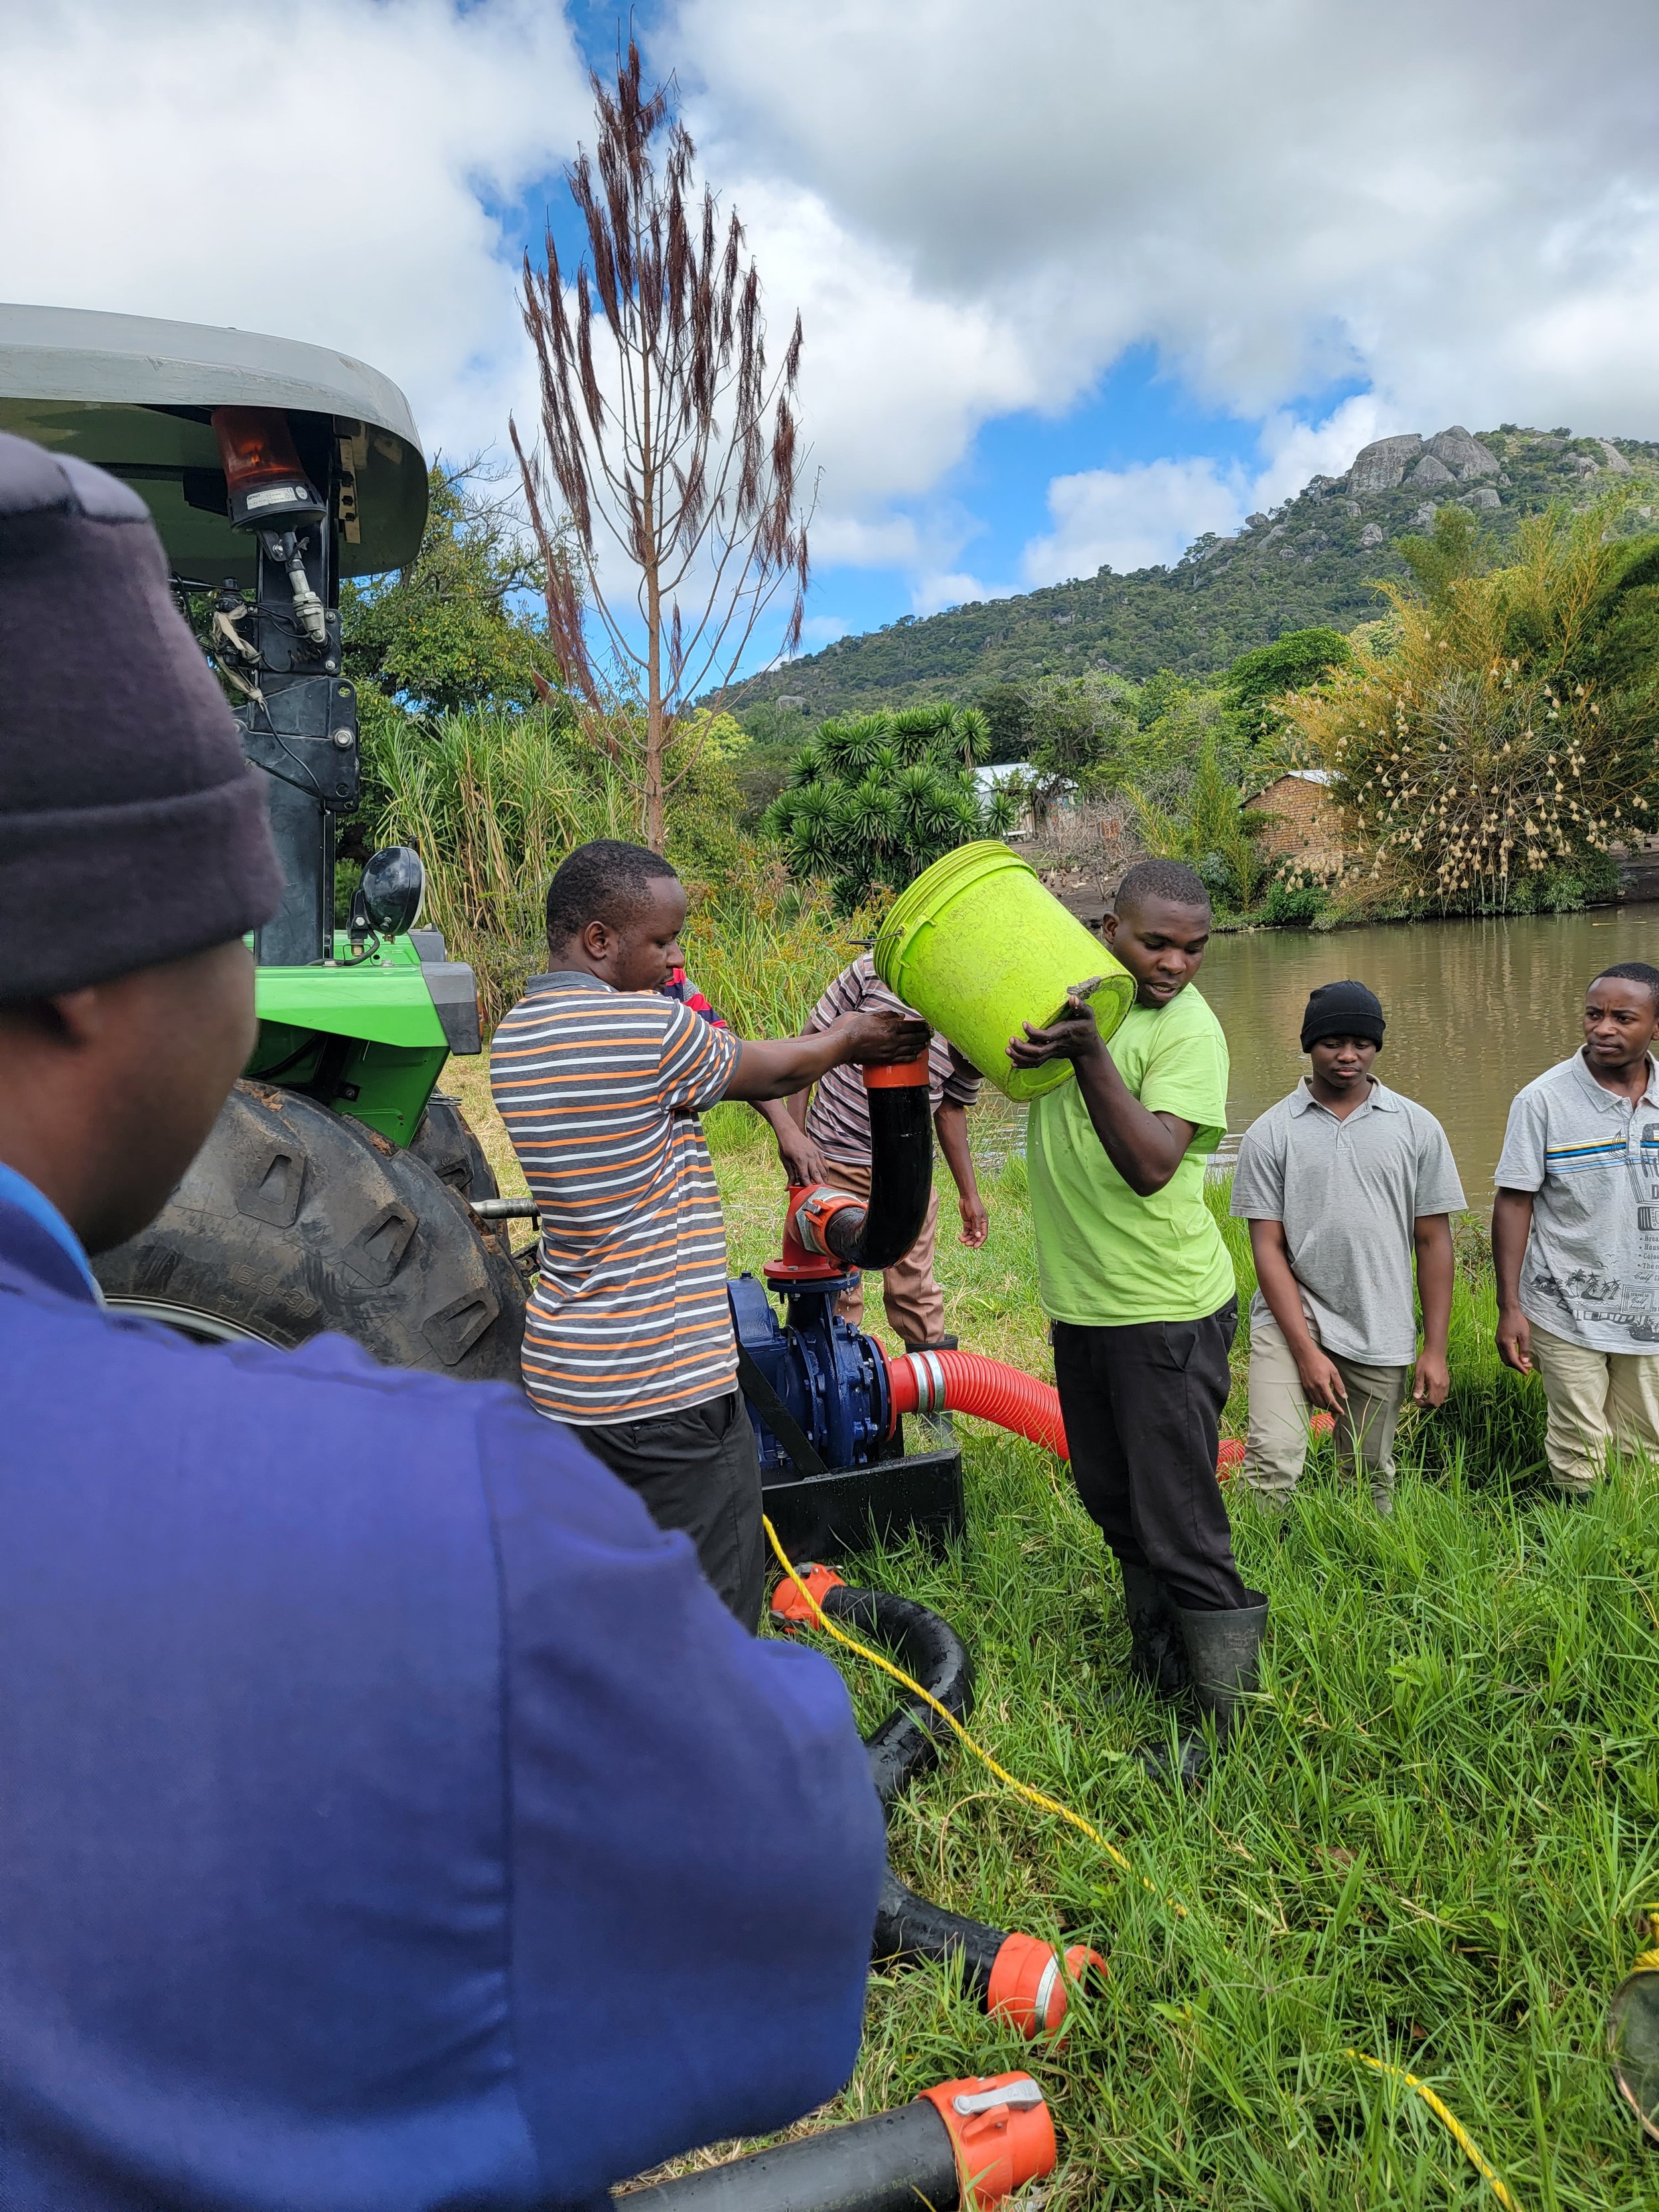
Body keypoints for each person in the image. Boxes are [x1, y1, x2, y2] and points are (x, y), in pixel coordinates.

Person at [0, 431, 886, 2211]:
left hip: (584, 1363)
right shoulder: (436, 1511)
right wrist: (856, 1048)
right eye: (238, 916)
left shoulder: (546, 1038)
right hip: (660, 1391)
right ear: (92, 963)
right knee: (716, 1584)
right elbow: (784, 1953)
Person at [491, 846, 928, 1628]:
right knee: (716, 1605)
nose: (677, 955)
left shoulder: (517, 1034)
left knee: (610, 1591)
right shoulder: (647, 1028)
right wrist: (855, 1040)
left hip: (565, 1381)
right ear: (599, 940)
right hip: (667, 1388)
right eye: (662, 941)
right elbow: (777, 1069)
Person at [1007, 857, 1263, 1782]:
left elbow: (1152, 1163)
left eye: (1194, 948)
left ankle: (1224, 1733)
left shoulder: (1189, 1032)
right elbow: (1008, 1063)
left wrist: (1088, 1055)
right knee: (1115, 1502)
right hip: (1086, 1307)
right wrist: (1042, 1043)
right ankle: (1161, 1667)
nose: (1174, 964)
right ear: (1108, 926)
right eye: (1156, 942)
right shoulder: (1080, 1001)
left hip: (1163, 1312)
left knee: (1181, 1521)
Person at [1230, 981, 1464, 1516]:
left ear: (1377, 1045)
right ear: (1309, 1044)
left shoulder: (1416, 1127)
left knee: (1369, 1471)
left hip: (1379, 1322)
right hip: (1293, 1318)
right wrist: (1307, 1352)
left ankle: (1364, 1568)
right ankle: (1256, 1576)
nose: (1347, 1055)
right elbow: (1267, 1249)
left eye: (1361, 1042)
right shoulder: (1270, 1134)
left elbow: (1432, 1241)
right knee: (1273, 1458)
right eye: (1332, 1042)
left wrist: (1435, 1348)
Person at [1494, 961, 1659, 1497]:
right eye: (1594, 1014)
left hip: (1651, 1310)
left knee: (1646, 1442)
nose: (1603, 1027)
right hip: (1565, 1304)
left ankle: (1629, 1544)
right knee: (1578, 1441)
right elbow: (1514, 1201)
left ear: (1655, 1024)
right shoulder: (1543, 1101)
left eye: (1623, 1017)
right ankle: (1579, 1532)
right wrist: (1510, 1305)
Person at [788, 952, 988, 1351]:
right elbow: (806, 1049)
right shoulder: (872, 973)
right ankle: (837, 1382)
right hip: (833, 1160)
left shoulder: (972, 1009)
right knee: (838, 1281)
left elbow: (950, 1108)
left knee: (914, 1286)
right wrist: (796, 1138)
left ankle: (932, 1388)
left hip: (908, 1176)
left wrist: (970, 1193)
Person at [662, 961, 826, 1185]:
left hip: (678, 1173)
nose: (677, 957)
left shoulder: (674, 982)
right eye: (661, 943)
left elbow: (729, 1053)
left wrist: (789, 1130)